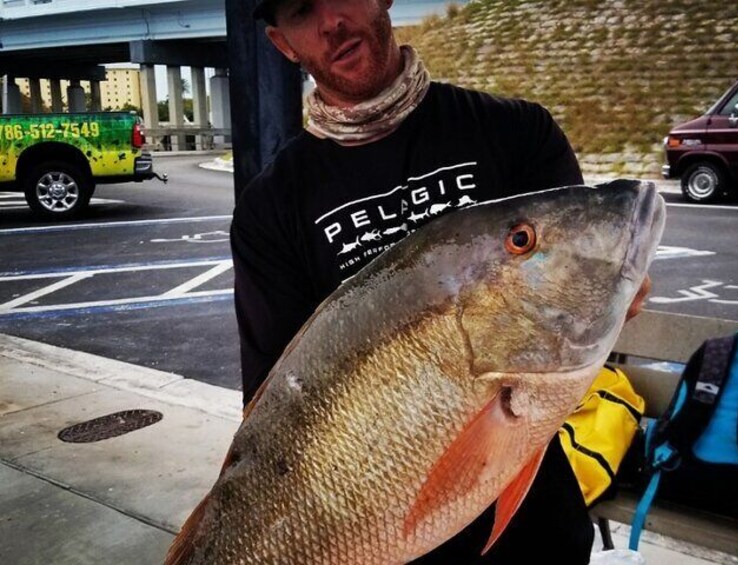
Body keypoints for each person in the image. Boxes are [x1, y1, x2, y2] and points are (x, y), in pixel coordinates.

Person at [232, 1, 649, 562]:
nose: (331, 21)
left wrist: (615, 293)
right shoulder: (269, 209)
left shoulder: (516, 132)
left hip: (539, 538)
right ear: (283, 44)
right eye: (302, 10)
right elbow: (273, 420)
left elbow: (575, 288)